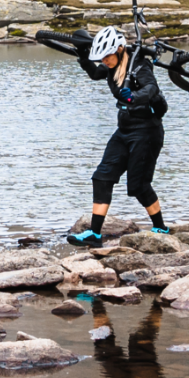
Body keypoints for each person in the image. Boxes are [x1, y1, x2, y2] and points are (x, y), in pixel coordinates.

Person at [69, 24, 170, 245]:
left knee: (138, 186)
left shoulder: (139, 65)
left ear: (119, 50)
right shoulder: (110, 67)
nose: (104, 61)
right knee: (102, 177)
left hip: (147, 131)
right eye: (102, 58)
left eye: (107, 57)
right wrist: (83, 56)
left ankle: (161, 228)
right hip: (124, 130)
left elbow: (151, 88)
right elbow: (96, 73)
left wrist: (134, 97)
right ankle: (94, 235)